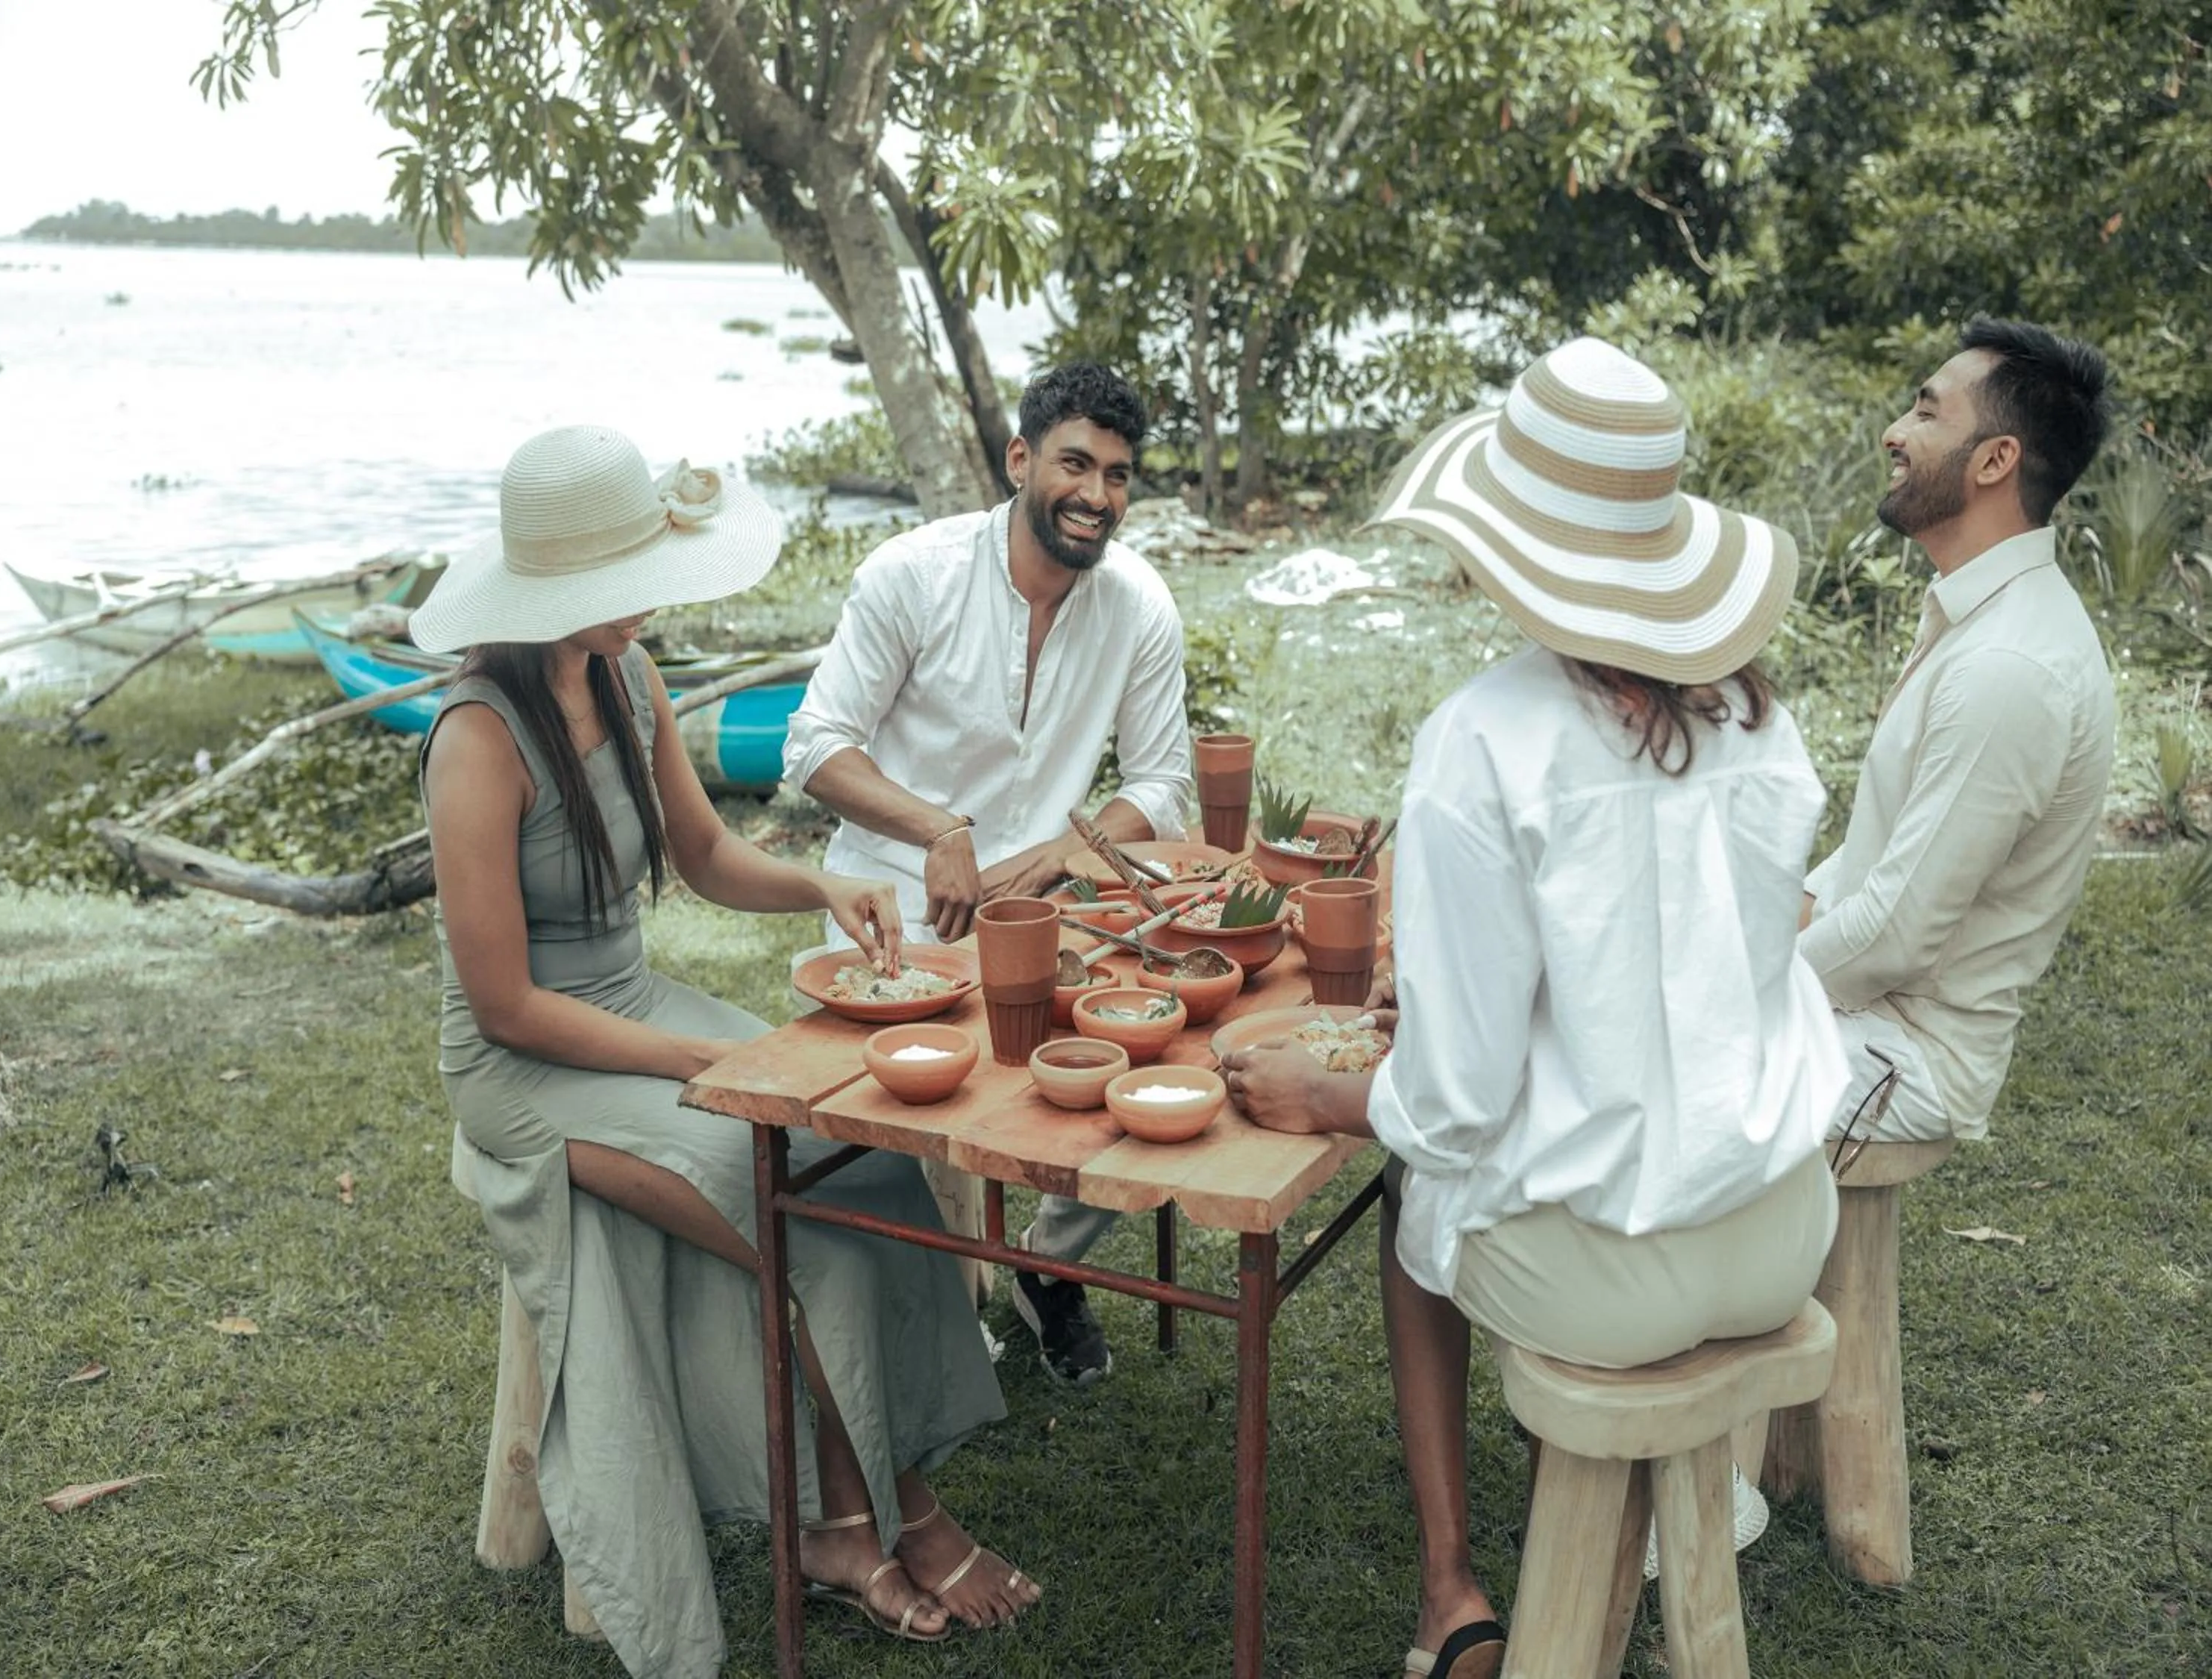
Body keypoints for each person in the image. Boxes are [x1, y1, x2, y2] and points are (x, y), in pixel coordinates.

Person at [1219, 339, 1849, 1679]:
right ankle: (1670, 1506)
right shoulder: (1762, 723)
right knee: (1489, 1160)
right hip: (1786, 1225)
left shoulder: (1485, 735)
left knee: (1414, 1190)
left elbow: (1453, 1106)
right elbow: (1692, 967)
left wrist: (1334, 1091)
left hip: (1627, 1270)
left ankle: (1453, 1591)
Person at [412, 426, 1040, 1679]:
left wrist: (822, 880)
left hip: (635, 1006)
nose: (655, 581)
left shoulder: (629, 679)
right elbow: (506, 1012)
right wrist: (685, 1067)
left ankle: (852, 1510)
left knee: (863, 1155)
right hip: (532, 1070)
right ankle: (888, 1516)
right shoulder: (477, 740)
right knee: (780, 1197)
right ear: (564, 592)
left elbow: (702, 858)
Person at [782, 363, 1194, 1386]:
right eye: (1074, 464)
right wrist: (937, 827)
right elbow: (813, 745)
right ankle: (920, 1297)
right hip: (892, 910)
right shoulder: (911, 574)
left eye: (1118, 475)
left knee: (1150, 1056)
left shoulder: (1138, 604)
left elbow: (1162, 781)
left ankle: (1047, 1265)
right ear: (1020, 461)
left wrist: (1055, 856)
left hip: (1055, 913)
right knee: (908, 1109)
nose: (1096, 495)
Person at [1803, 318, 2116, 1144]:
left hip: (1899, 1054)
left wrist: (1736, 980)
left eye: (1926, 413)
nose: (1893, 434)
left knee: (1613, 1059)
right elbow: (1887, 858)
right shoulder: (1979, 611)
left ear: (1994, 460)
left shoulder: (2009, 666)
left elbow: (1895, 938)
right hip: (1867, 1015)